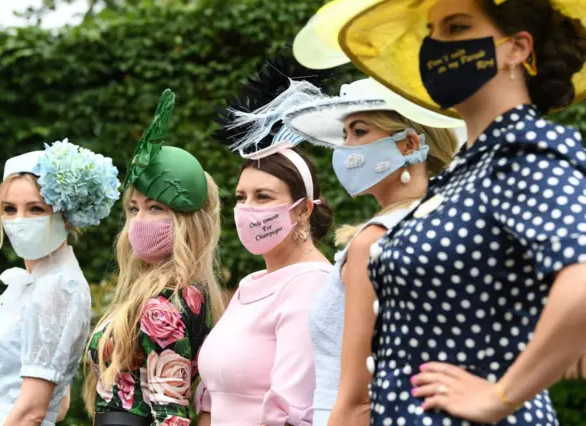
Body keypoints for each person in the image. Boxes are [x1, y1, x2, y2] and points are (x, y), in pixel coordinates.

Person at [295, 0, 586, 425]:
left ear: (518, 48)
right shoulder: (465, 170)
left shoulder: (524, 149)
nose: (436, 45)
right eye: (432, 32)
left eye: (457, 27)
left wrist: (502, 396)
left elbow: (580, 280)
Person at [284, 77, 463, 426]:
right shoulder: (451, 229)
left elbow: (357, 399)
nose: (346, 147)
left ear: (410, 144)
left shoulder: (373, 242)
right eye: (345, 134)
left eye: (359, 131)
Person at [196, 52, 335, 426]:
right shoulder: (251, 284)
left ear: (303, 209)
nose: (247, 209)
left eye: (264, 197)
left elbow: (293, 408)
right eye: (241, 197)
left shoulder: (310, 285)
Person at [83, 89, 225, 426]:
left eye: (155, 208)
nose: (138, 221)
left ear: (187, 220)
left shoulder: (163, 305)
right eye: (134, 208)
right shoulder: (189, 292)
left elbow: (171, 414)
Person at [0, 139, 120, 426]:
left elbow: (33, 411)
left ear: (67, 217)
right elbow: (59, 405)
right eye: (9, 209)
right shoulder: (36, 283)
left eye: (35, 209)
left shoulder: (59, 286)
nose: (19, 220)